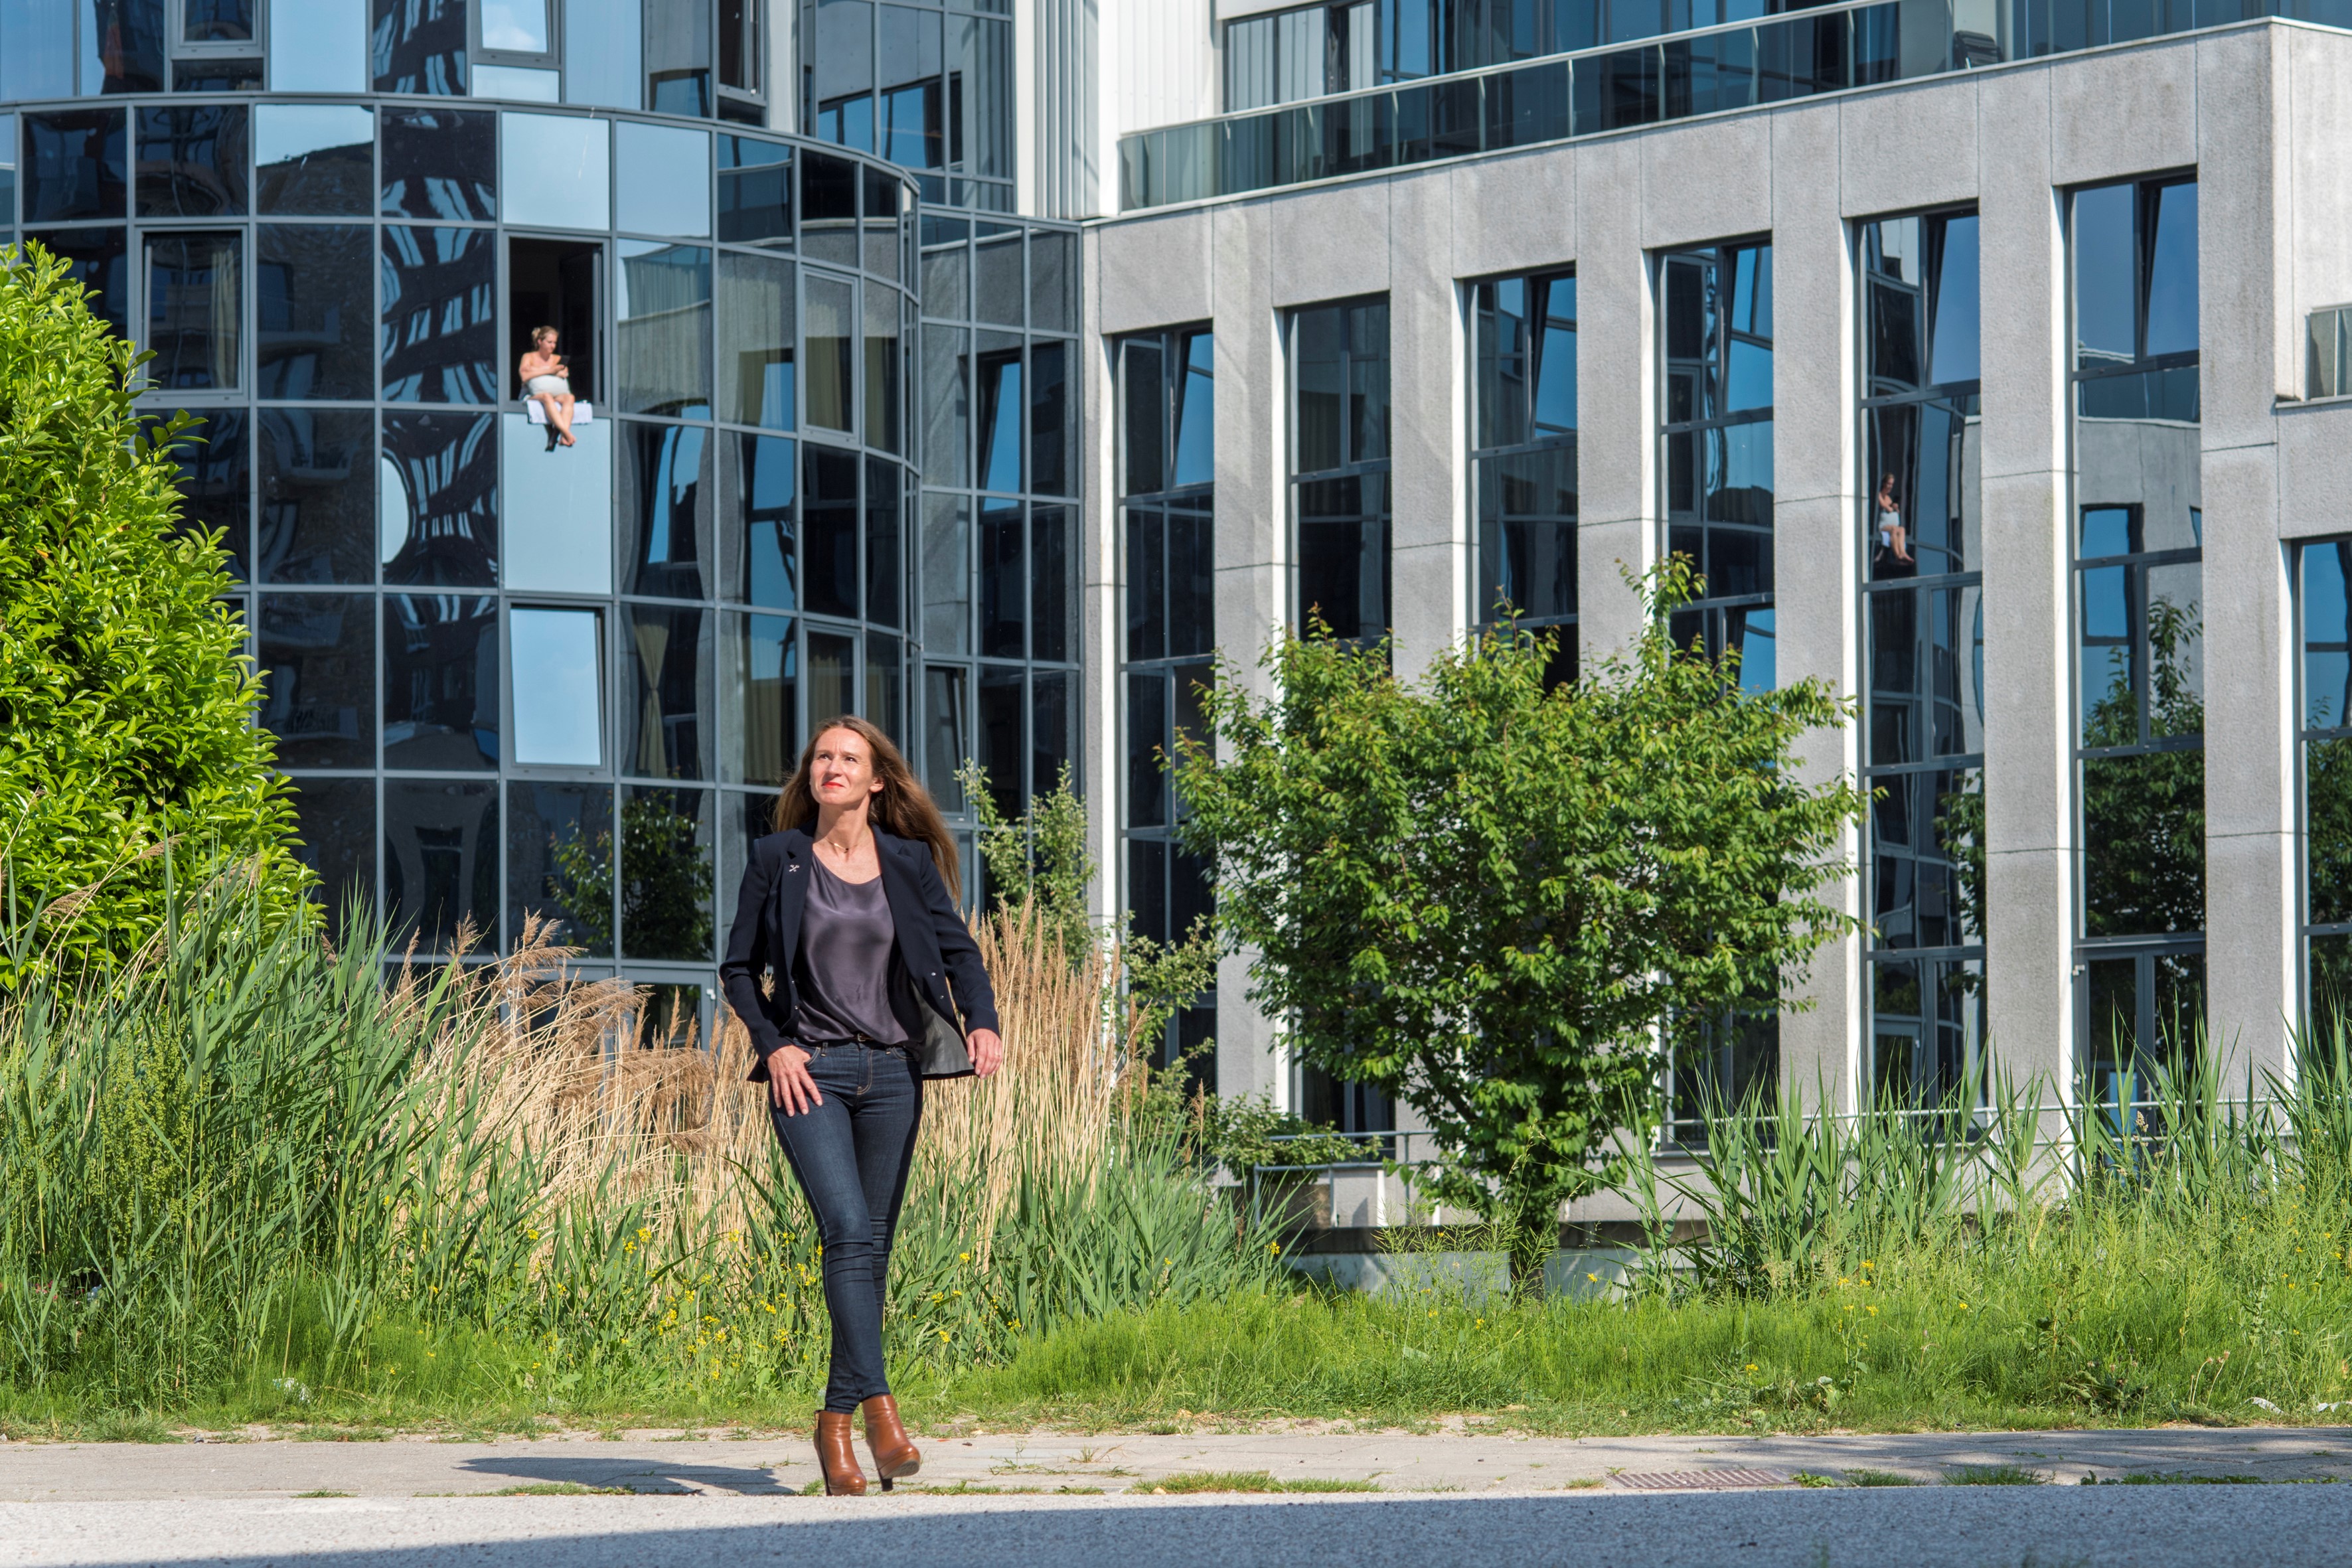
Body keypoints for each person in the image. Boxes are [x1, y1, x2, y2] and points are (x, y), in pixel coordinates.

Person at [719, 716, 1004, 1496]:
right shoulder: (776, 860)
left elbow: (959, 954)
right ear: (809, 775)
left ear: (877, 780)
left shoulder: (907, 864)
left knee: (869, 1250)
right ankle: (881, 1409)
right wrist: (773, 1043)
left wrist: (982, 1020)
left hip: (893, 1076)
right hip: (809, 1074)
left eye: (848, 758)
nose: (831, 767)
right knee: (844, 1228)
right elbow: (738, 968)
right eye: (821, 757)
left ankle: (833, 1425)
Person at [518, 326, 576, 449]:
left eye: (555, 342)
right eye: (549, 342)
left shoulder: (556, 359)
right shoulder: (528, 357)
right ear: (540, 341)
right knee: (547, 397)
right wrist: (550, 371)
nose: (552, 346)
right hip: (533, 395)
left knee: (569, 398)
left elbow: (564, 373)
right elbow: (524, 376)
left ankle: (560, 433)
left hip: (557, 394)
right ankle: (566, 433)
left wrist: (538, 370)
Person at [1874, 471, 1913, 566]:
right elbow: (1885, 506)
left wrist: (1895, 507)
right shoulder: (1880, 495)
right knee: (1894, 529)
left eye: (1892, 484)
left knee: (1902, 529)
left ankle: (1903, 552)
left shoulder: (1889, 498)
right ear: (1884, 483)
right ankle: (1898, 555)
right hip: (1884, 526)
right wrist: (1892, 507)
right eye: (1889, 484)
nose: (1890, 487)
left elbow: (1892, 508)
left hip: (1892, 526)